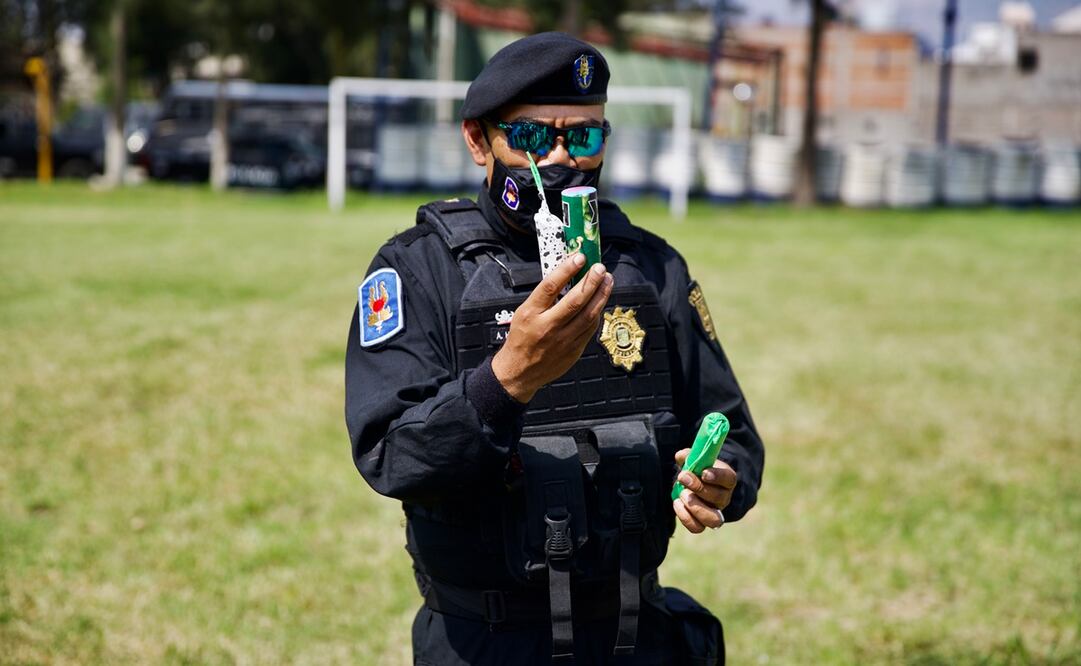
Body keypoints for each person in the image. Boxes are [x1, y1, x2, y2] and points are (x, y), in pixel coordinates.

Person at [345, 32, 764, 666]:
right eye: (534, 137)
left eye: (585, 136)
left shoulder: (652, 268)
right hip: (484, 639)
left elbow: (732, 432)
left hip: (633, 632)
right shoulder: (418, 271)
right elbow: (391, 454)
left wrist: (720, 480)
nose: (563, 157)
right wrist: (508, 379)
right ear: (478, 140)